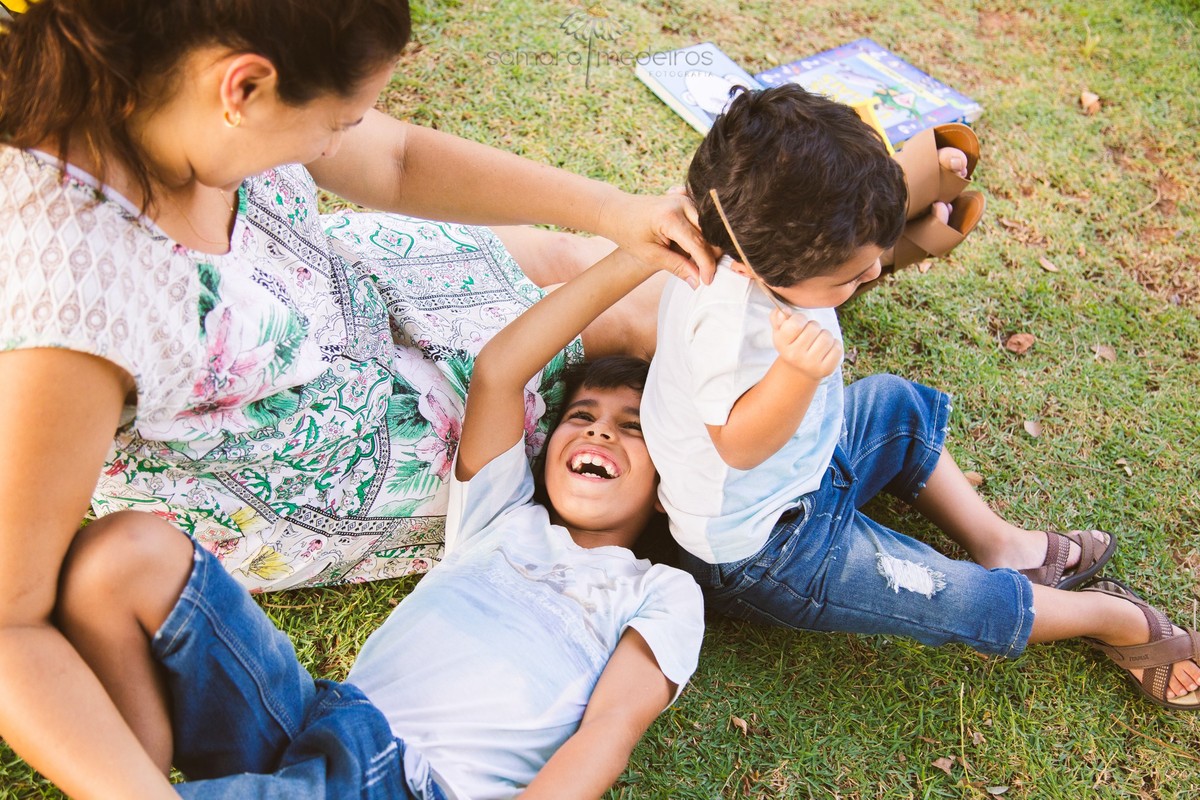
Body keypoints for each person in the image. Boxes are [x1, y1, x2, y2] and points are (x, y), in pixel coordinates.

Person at [0, 1, 716, 796]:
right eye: (341, 121)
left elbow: (400, 161)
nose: (348, 138)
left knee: (622, 280)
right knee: (621, 316)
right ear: (243, 89)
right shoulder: (72, 307)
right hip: (304, 465)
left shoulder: (173, 71)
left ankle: (853, 236)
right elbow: (9, 625)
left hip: (350, 303)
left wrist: (614, 213)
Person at [54, 244, 703, 799]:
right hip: (316, 720)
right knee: (121, 555)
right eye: (582, 416)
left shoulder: (660, 591)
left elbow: (608, 734)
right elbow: (503, 371)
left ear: (667, 484)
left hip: (412, 785)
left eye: (630, 428)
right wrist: (637, 255)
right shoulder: (504, 516)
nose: (598, 432)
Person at [642, 84, 1200, 712]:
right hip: (765, 549)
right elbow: (738, 444)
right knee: (939, 591)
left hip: (801, 470)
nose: (875, 275)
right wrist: (795, 377)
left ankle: (1002, 542)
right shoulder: (724, 323)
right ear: (755, 269)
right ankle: (1108, 619)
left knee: (891, 403)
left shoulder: (747, 231)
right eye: (851, 276)